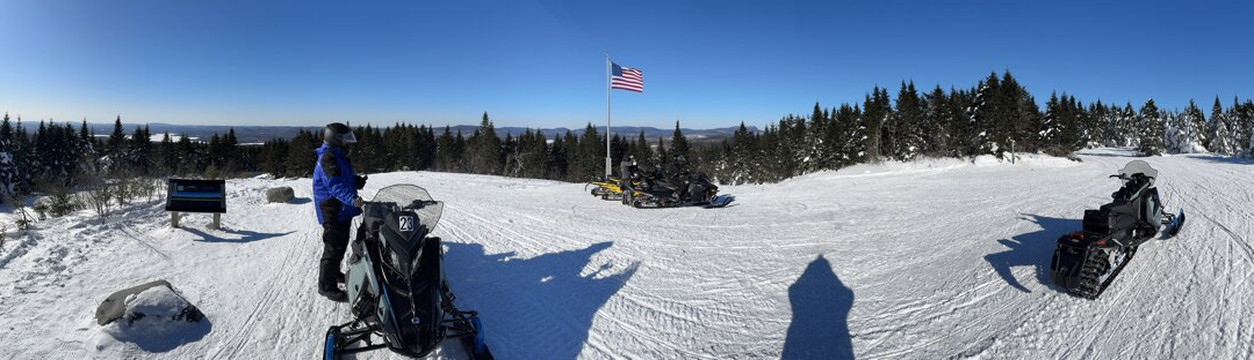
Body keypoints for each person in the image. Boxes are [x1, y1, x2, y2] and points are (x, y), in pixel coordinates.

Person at [312, 123, 367, 302]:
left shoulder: (338, 154)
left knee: (340, 245)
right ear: (335, 139)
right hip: (333, 208)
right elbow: (334, 185)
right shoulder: (328, 158)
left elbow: (344, 178)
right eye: (345, 138)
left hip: (341, 208)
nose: (347, 142)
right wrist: (352, 199)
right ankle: (326, 286)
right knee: (333, 248)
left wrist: (356, 181)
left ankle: (334, 274)